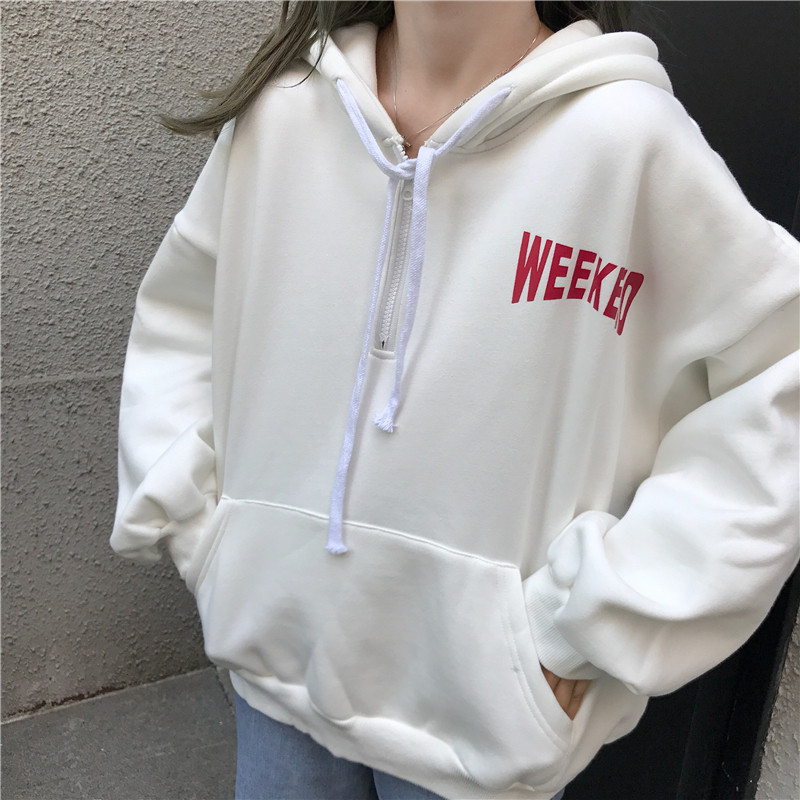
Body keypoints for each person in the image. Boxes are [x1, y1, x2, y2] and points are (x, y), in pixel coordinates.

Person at [109, 1, 800, 798]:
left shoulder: (625, 141)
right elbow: (182, 320)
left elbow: (777, 375)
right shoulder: (284, 113)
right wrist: (204, 535)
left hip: (479, 732)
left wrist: (598, 617)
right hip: (274, 677)